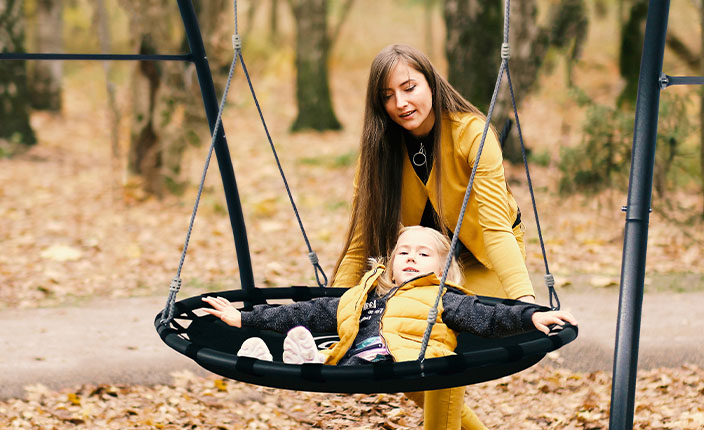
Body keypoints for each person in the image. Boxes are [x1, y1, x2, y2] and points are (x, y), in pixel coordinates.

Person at [330, 43, 539, 429]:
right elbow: (360, 241)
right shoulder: (378, 151)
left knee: (436, 331)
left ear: (431, 82)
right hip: (424, 268)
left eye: (409, 87)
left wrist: (526, 303)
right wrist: (334, 304)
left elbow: (496, 231)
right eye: (387, 95)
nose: (401, 103)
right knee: (397, 344)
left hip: (484, 258)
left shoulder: (471, 134)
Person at [202, 226, 577, 430]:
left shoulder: (445, 297)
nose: (411, 257)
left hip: (416, 364)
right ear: (391, 265)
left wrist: (530, 316)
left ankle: (309, 358)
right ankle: (298, 359)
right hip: (356, 363)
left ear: (442, 269)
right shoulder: (362, 297)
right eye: (404, 252)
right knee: (321, 340)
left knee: (439, 390)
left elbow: (490, 318)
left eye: (423, 253)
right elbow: (310, 311)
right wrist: (245, 318)